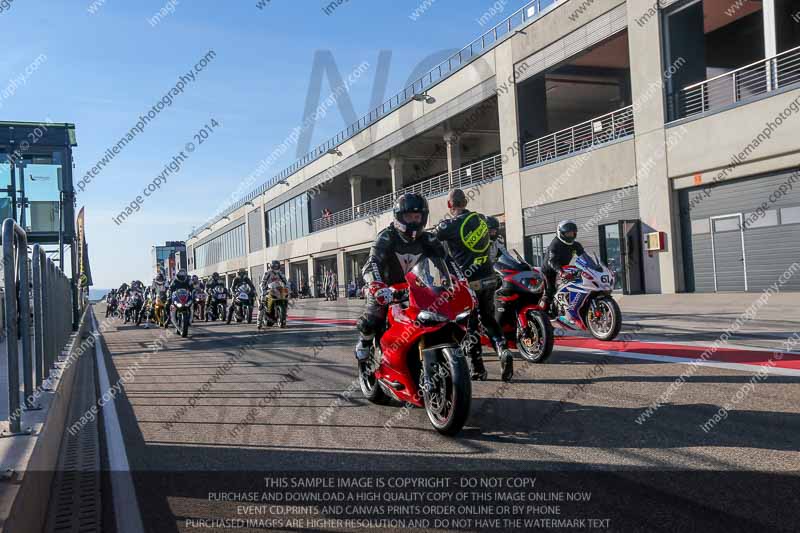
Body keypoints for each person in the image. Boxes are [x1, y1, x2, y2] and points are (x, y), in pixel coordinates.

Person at [355, 193, 452, 361]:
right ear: (399, 217)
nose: (414, 221)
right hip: (384, 289)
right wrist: (377, 285)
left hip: (416, 289)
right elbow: (372, 263)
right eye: (409, 216)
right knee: (371, 320)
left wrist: (460, 282)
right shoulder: (386, 236)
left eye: (417, 216)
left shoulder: (429, 239)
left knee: (442, 317)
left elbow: (447, 262)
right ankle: (364, 342)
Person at [435, 189, 513, 382]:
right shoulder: (481, 220)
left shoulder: (451, 224)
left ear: (449, 205)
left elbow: (434, 236)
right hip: (489, 277)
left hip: (469, 281)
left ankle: (478, 369)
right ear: (466, 201)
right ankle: (503, 349)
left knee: (469, 325)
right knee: (488, 319)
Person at [541, 220, 585, 317]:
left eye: (572, 233)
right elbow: (551, 261)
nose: (570, 235)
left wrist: (594, 267)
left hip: (564, 270)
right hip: (550, 271)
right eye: (568, 233)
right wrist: (561, 272)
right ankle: (543, 315)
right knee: (550, 292)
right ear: (561, 233)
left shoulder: (575, 245)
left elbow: (584, 257)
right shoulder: (555, 244)